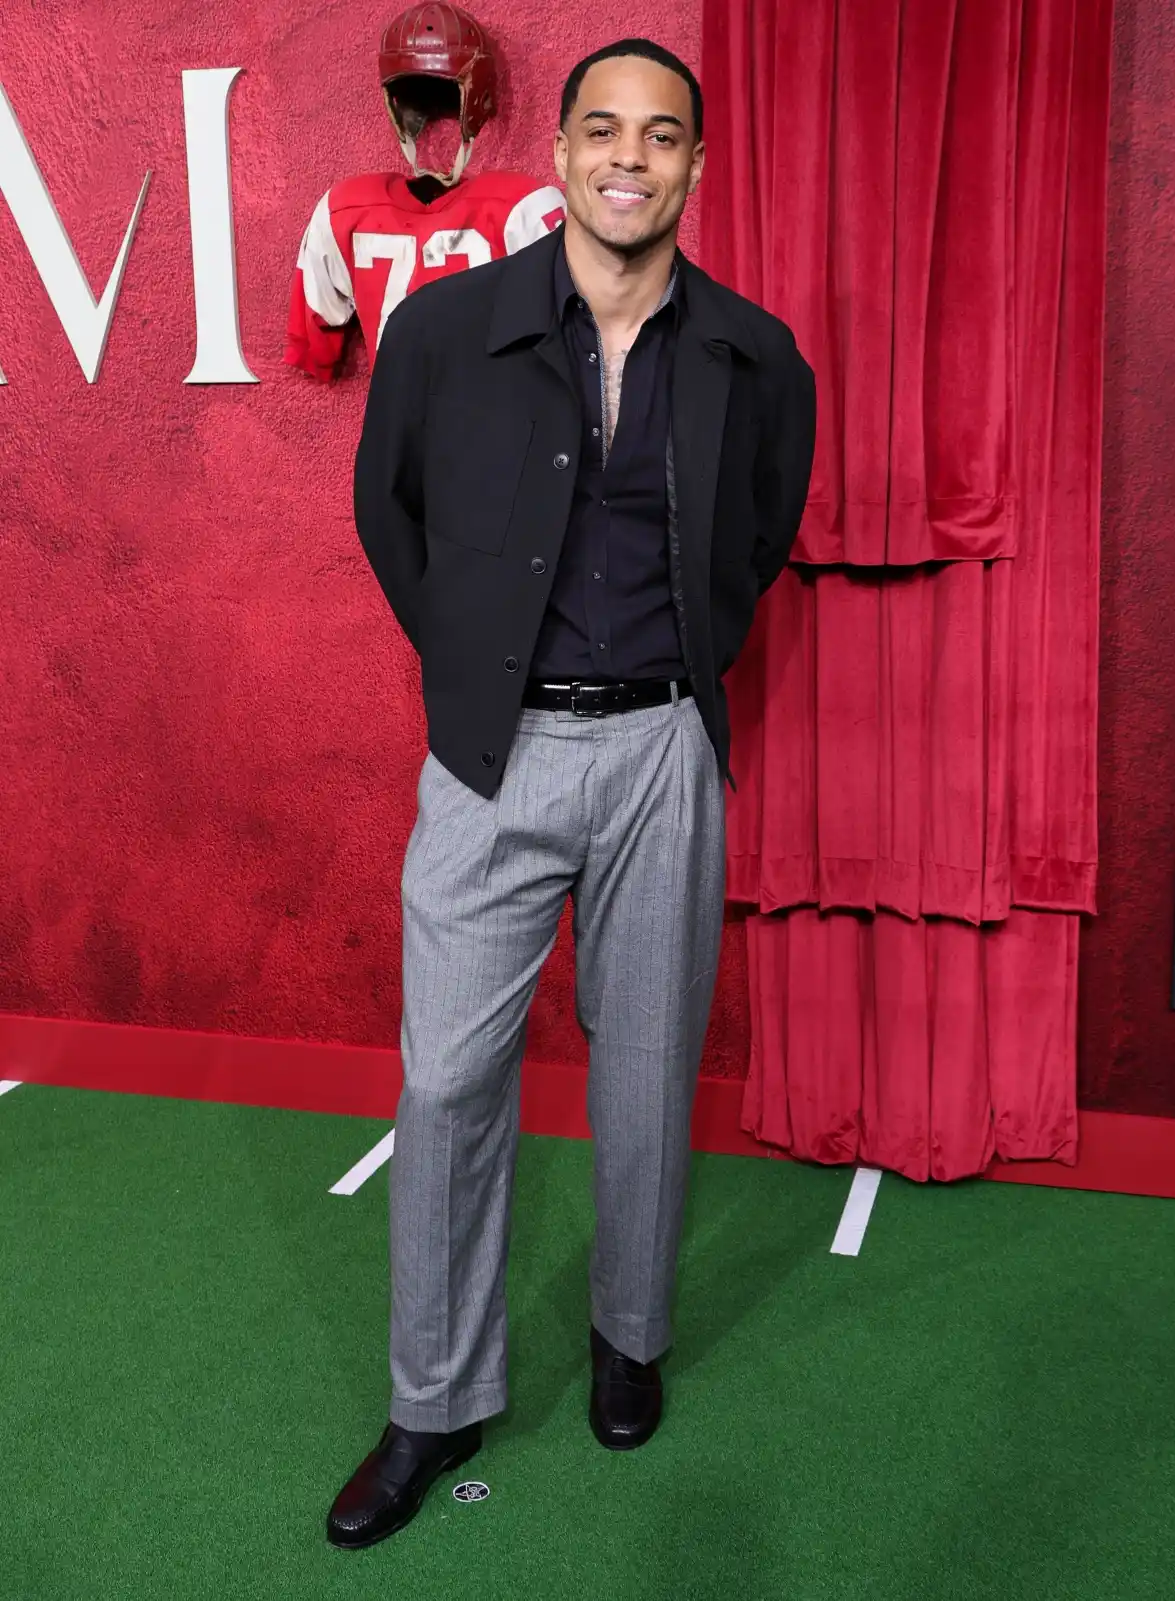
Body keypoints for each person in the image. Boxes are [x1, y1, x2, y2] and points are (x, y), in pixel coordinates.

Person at [328, 37, 816, 1550]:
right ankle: (436, 1400)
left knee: (649, 1071)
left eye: (661, 137)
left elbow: (758, 540)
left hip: (663, 746)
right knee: (445, 1083)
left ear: (695, 167)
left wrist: (675, 670)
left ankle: (629, 1339)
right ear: (556, 150)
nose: (629, 159)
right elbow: (389, 513)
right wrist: (475, 667)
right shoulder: (443, 333)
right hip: (493, 753)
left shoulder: (755, 357)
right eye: (603, 129)